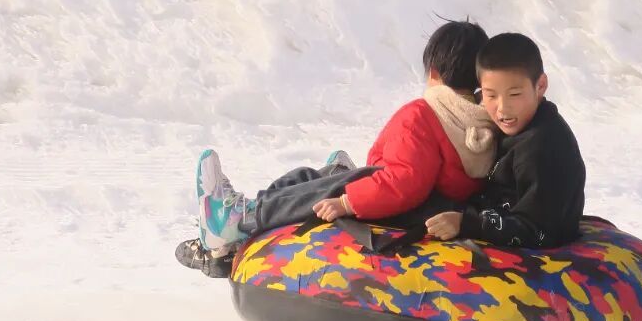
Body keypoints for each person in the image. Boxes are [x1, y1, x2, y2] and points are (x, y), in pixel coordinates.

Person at [178, 20, 497, 276]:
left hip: (410, 211)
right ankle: (240, 233)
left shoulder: (424, 115)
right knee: (318, 176)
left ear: (433, 72)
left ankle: (240, 219)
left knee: (339, 184)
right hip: (429, 205)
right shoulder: (481, 121)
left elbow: (404, 182)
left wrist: (348, 201)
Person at [424, 32, 586, 248]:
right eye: (491, 95)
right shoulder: (514, 125)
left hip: (536, 251)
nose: (502, 108)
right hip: (493, 216)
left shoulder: (542, 147)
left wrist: (468, 223)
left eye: (515, 94)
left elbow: (539, 231)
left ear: (540, 86)